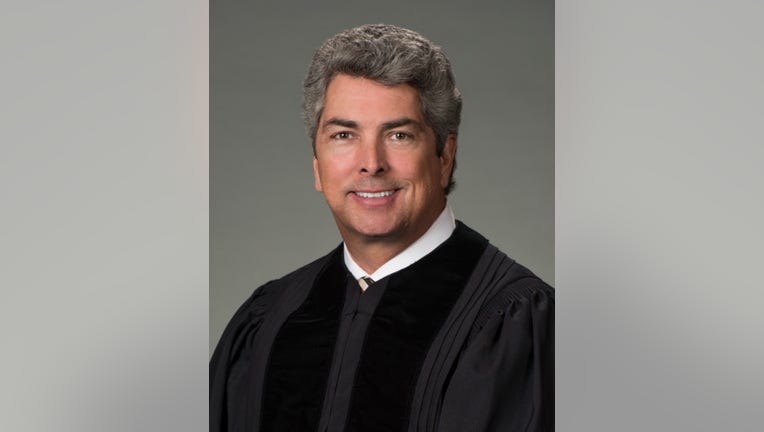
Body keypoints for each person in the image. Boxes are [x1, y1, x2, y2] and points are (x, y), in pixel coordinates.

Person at [210, 24, 554, 432]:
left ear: (444, 157)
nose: (371, 163)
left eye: (398, 135)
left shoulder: (515, 325)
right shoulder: (268, 320)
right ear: (317, 165)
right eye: (343, 135)